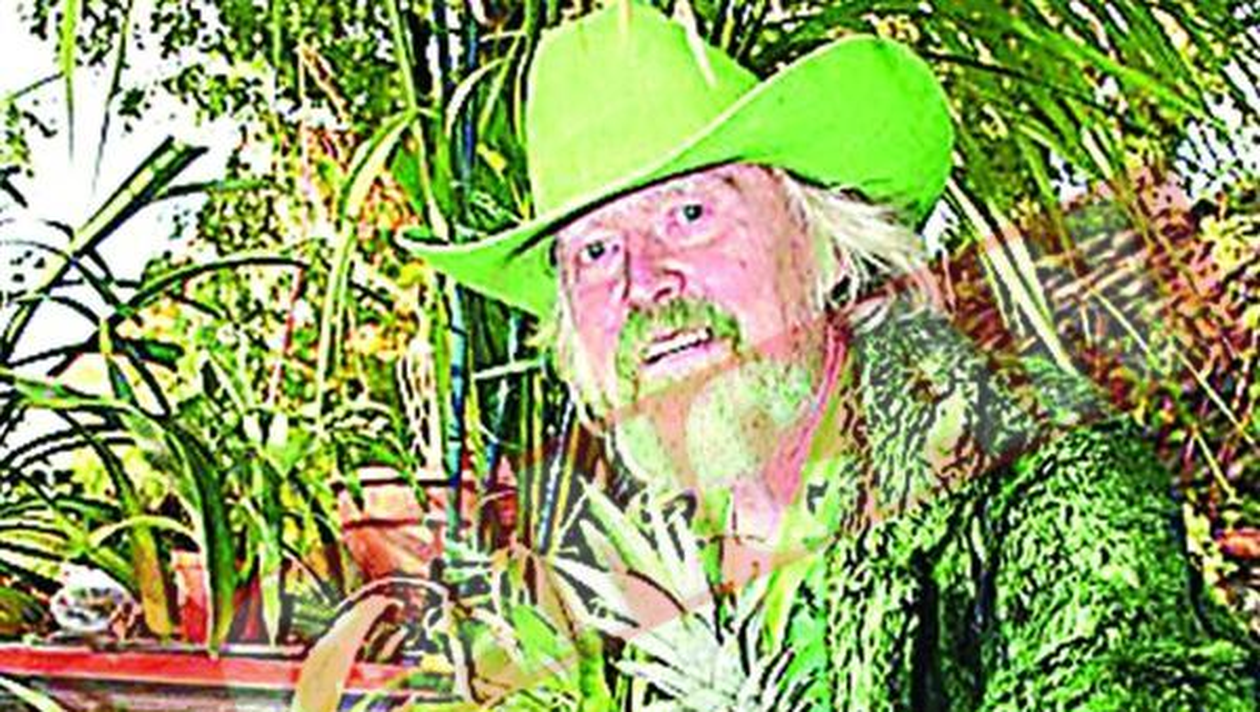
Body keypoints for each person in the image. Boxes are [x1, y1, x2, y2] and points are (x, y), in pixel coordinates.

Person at [407, 3, 1256, 710]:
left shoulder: (1037, 480)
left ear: (822, 245)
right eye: (595, 252)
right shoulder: (619, 594)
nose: (644, 284)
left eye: (690, 214)